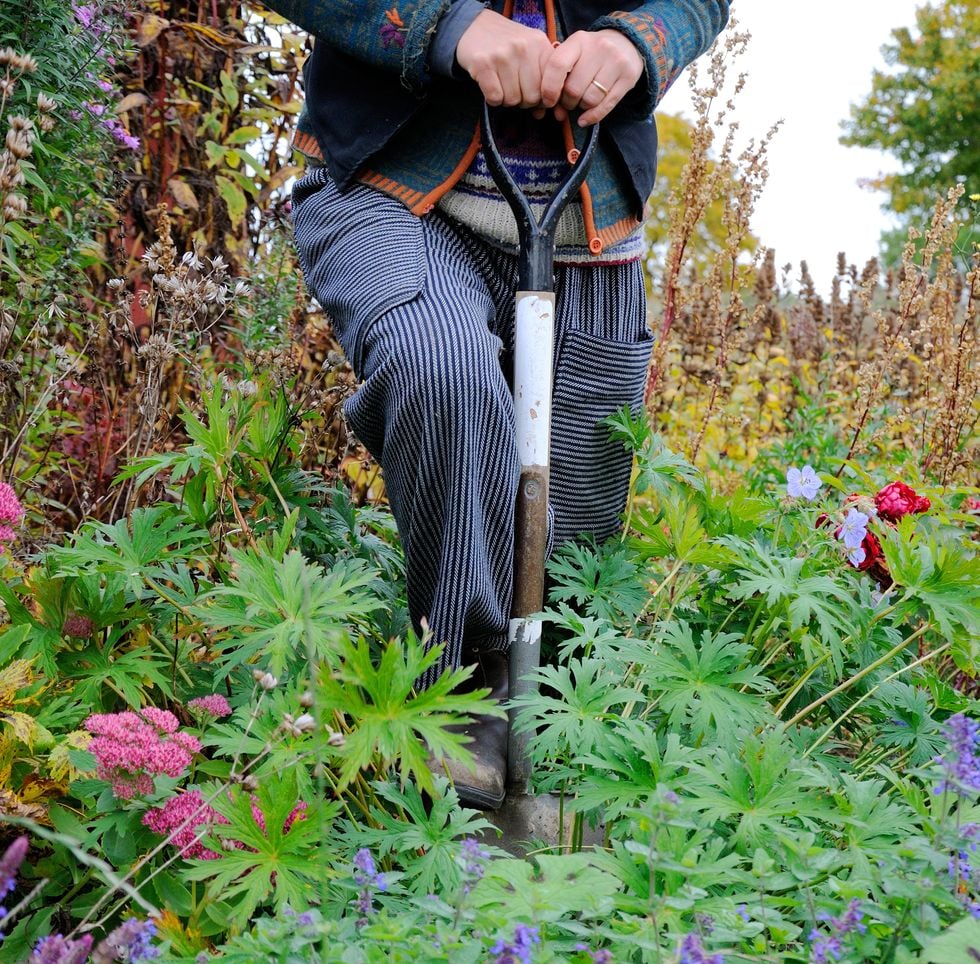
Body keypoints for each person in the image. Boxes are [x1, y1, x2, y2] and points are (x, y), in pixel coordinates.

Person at [263, 0, 729, 808]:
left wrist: (639, 44)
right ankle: (464, 682)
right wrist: (448, 29)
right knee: (439, 365)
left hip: (585, 218)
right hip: (394, 186)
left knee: (578, 541)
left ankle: (560, 749)